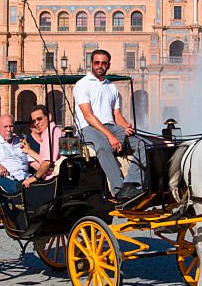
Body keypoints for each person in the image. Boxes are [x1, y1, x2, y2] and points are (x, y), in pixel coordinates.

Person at [74, 49, 148, 200]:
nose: (100, 66)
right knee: (103, 146)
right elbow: (88, 116)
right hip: (88, 128)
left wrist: (126, 126)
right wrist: (110, 136)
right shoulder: (82, 85)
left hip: (111, 126)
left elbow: (117, 115)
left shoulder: (111, 87)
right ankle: (118, 189)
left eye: (103, 63)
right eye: (96, 62)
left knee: (142, 143)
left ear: (108, 65)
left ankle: (131, 184)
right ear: (91, 64)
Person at [21, 105, 62, 180]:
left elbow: (47, 162)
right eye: (34, 121)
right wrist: (28, 151)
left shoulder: (49, 133)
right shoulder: (52, 131)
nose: (36, 123)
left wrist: (34, 178)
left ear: (49, 117)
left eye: (39, 119)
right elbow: (45, 159)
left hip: (52, 179)